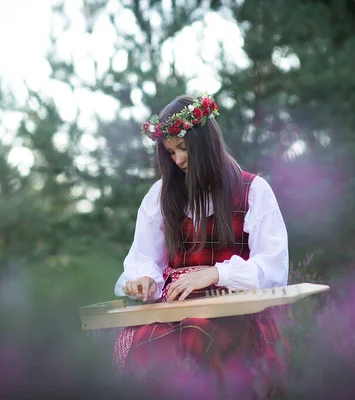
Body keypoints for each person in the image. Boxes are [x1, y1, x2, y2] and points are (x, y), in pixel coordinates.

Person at [112, 94, 290, 399]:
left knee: (197, 335)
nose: (178, 160)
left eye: (183, 148)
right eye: (170, 153)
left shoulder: (253, 191)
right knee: (148, 342)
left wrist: (217, 275)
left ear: (205, 143)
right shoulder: (160, 196)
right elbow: (143, 260)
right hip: (176, 315)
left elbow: (274, 269)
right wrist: (142, 281)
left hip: (237, 316)